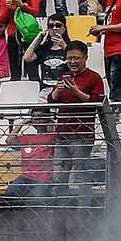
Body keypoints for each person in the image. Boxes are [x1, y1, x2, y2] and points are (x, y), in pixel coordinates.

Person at [45, 42, 105, 205]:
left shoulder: (94, 77)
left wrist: (76, 92)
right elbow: (51, 101)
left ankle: (84, 211)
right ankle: (61, 209)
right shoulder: (64, 76)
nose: (72, 62)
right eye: (69, 58)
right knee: (59, 176)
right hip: (62, 134)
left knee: (81, 176)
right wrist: (56, 91)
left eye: (76, 58)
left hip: (81, 136)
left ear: (85, 58)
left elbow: (97, 102)